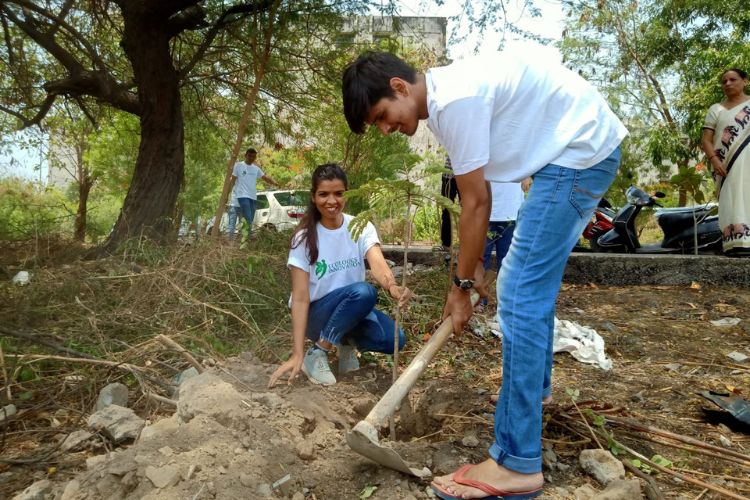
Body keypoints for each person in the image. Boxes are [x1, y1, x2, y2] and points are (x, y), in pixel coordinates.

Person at [342, 48, 627, 499]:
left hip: (578, 154)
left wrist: (458, 289)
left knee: (517, 294)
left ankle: (516, 462)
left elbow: (477, 203)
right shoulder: (444, 101)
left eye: (382, 116)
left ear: (398, 87)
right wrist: (472, 267)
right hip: (580, 152)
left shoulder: (453, 102)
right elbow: (486, 183)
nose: (386, 129)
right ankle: (534, 395)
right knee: (526, 287)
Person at [268, 163, 412, 388]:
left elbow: (377, 263)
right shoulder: (304, 238)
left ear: (347, 194)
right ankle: (317, 353)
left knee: (394, 339)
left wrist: (392, 286)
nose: (331, 201)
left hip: (351, 310)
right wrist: (297, 353)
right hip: (316, 316)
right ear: (314, 197)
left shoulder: (360, 226)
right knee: (364, 293)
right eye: (324, 194)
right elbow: (300, 298)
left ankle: (344, 344)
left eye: (338, 194)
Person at [701, 68, 750, 256]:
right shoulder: (716, 109)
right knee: (731, 199)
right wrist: (714, 161)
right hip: (724, 165)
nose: (728, 83)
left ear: (744, 81)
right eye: (724, 81)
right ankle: (735, 244)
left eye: (733, 79)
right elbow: (706, 140)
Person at [227, 148, 279, 239]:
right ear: (245, 155)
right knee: (242, 219)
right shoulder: (238, 166)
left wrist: (274, 182)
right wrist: (227, 194)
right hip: (241, 196)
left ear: (255, 157)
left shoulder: (256, 169)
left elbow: (265, 177)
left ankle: (244, 240)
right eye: (249, 156)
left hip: (252, 197)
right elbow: (232, 181)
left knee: (248, 220)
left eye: (253, 156)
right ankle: (246, 237)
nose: (251, 158)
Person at [439, 156, 460, 252]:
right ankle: (446, 244)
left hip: (467, 172)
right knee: (447, 209)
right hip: (449, 175)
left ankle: (467, 243)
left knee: (469, 208)